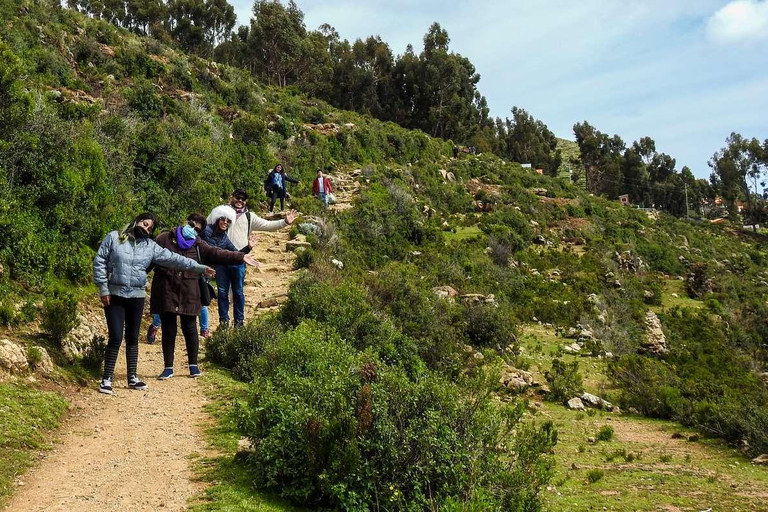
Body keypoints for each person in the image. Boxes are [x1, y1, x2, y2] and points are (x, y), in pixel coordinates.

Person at [93, 213, 215, 395]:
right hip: (114, 295)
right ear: (136, 221)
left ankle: (132, 377)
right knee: (116, 336)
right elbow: (100, 261)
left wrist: (200, 268)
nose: (146, 228)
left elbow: (176, 260)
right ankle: (107, 378)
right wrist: (103, 288)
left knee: (133, 337)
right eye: (145, 223)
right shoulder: (114, 237)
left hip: (136, 296)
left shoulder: (151, 247)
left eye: (150, 228)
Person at [150, 214, 258, 379]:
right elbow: (148, 260)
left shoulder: (198, 245)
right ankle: (168, 367)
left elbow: (218, 253)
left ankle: (193, 365)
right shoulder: (163, 238)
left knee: (190, 327)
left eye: (198, 229)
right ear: (185, 222)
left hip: (189, 290)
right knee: (169, 328)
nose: (193, 229)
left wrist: (241, 255)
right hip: (166, 289)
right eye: (192, 224)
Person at [217, 188, 297, 329]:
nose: (240, 201)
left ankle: (239, 323)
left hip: (240, 259)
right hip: (221, 259)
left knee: (238, 292)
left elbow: (267, 225)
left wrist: (284, 222)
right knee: (222, 293)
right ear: (232, 197)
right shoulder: (222, 214)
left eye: (243, 198)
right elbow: (208, 228)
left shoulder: (249, 217)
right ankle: (223, 323)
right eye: (237, 197)